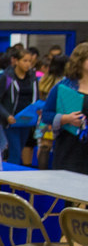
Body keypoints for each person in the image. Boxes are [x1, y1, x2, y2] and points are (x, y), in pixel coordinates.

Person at [41, 43, 88, 174]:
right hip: (68, 148)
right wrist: (66, 118)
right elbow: (46, 114)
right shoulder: (64, 86)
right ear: (80, 61)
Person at [0, 47, 39, 165]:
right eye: (24, 60)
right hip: (11, 120)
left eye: (29, 61)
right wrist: (7, 115)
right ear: (16, 61)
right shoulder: (7, 77)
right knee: (15, 152)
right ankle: (10, 180)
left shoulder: (32, 78)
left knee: (21, 149)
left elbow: (36, 98)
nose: (27, 64)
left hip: (27, 119)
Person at [36, 54, 68, 169]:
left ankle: (41, 171)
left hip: (43, 118)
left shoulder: (44, 79)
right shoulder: (64, 82)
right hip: (57, 116)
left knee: (44, 146)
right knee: (56, 148)